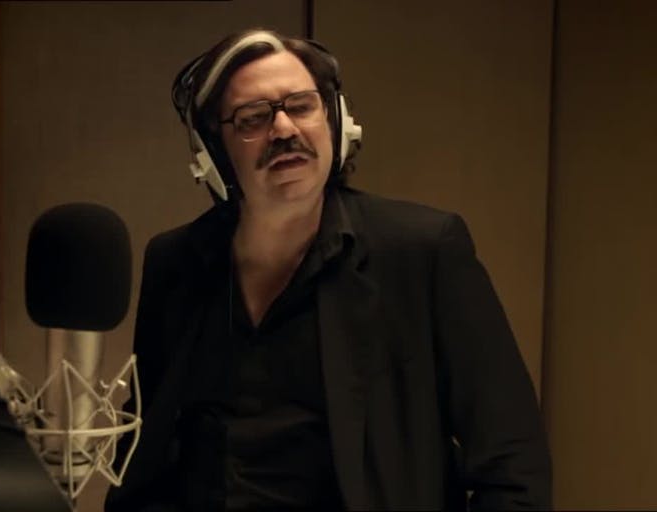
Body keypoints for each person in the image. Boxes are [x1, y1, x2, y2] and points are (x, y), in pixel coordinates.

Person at [105, 28, 551, 511]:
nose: (284, 130)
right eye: (253, 118)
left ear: (337, 121)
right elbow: (141, 458)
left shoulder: (422, 251)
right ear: (214, 153)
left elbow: (513, 465)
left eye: (301, 106)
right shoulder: (175, 263)